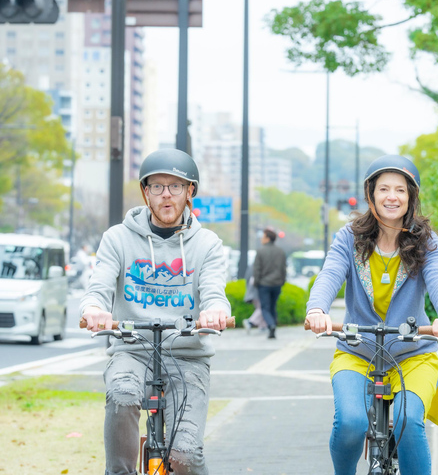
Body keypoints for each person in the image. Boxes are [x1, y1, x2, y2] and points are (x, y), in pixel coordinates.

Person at [305, 154, 438, 475]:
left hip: (412, 354)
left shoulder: (425, 241)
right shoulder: (349, 237)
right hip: (357, 351)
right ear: (371, 195)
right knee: (350, 422)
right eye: (384, 189)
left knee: (406, 422)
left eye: (401, 190)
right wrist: (317, 309)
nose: (392, 197)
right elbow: (330, 274)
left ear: (411, 197)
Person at [80, 148, 231, 475]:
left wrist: (215, 312)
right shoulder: (118, 238)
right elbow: (100, 285)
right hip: (132, 349)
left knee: (185, 455)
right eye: (157, 186)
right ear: (145, 192)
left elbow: (214, 291)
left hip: (188, 356)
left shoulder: (207, 244)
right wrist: (94, 309)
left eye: (175, 186)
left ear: (190, 191)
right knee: (121, 395)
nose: (166, 195)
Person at [251, 227, 287, 339]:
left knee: (265, 308)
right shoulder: (280, 251)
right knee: (272, 307)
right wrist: (282, 281)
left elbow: (257, 269)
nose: (262, 238)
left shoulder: (260, 251)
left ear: (267, 238)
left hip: (264, 284)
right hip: (277, 284)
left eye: (263, 236)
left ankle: (271, 325)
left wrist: (256, 283)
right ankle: (273, 326)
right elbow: (283, 269)